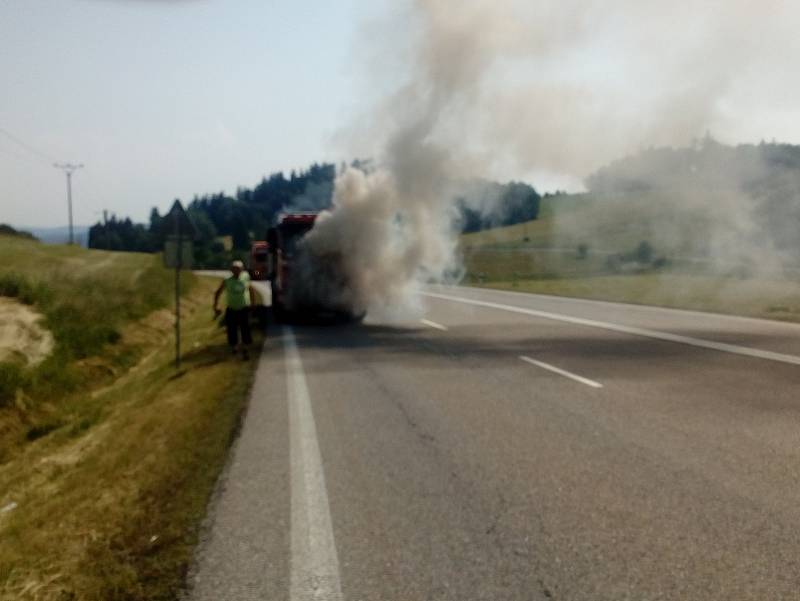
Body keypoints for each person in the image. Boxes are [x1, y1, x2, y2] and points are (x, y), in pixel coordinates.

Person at [213, 260, 255, 359]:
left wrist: (253, 303)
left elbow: (251, 289)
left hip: (244, 307)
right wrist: (216, 305)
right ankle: (235, 347)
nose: (236, 271)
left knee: (245, 328)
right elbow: (218, 292)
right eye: (234, 269)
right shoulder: (227, 280)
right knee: (232, 329)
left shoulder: (246, 277)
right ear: (231, 270)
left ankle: (245, 348)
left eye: (238, 269)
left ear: (242, 270)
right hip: (232, 308)